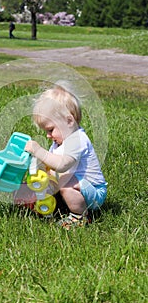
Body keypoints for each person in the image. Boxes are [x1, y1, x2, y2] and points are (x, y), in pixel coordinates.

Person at [25, 81, 107, 229]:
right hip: (77, 185)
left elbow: (62, 165)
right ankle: (52, 206)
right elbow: (51, 165)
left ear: (69, 121)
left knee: (63, 181)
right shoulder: (59, 142)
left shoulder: (77, 140)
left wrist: (38, 150)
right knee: (50, 179)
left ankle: (79, 217)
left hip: (94, 192)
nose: (49, 136)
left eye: (50, 130)